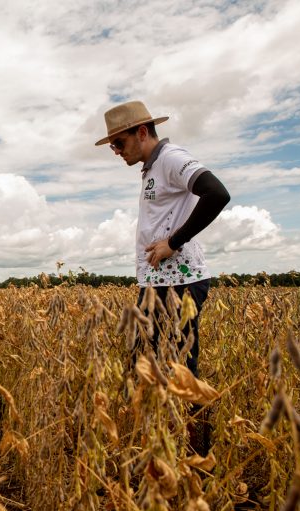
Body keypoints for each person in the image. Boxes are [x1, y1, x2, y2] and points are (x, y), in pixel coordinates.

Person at [95, 101, 230, 378]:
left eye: (119, 143)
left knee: (177, 367)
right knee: (145, 361)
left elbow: (216, 193)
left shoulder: (171, 158)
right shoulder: (151, 168)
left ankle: (189, 420)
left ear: (142, 133)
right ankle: (162, 420)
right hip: (159, 280)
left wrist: (174, 241)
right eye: (113, 147)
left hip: (180, 282)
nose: (117, 152)